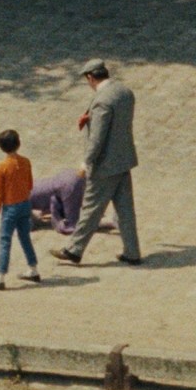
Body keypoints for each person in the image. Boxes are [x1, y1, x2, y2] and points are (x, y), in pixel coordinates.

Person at [50, 59, 142, 266]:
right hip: (124, 159)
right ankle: (132, 251)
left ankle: (74, 250)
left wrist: (86, 162)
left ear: (90, 78)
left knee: (91, 208)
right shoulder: (124, 92)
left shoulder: (102, 102)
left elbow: (97, 138)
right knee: (125, 209)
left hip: (105, 165)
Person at [0, 129, 42, 290]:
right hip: (25, 204)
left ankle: (0, 276)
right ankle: (33, 268)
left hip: (10, 208)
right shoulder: (26, 162)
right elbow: (30, 184)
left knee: (5, 240)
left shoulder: (2, 166)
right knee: (25, 236)